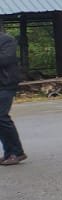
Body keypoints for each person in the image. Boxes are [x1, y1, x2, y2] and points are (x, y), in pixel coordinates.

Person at [0, 26, 27, 166]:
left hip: (6, 84)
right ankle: (8, 153)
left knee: (1, 117)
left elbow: (5, 59)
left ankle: (17, 152)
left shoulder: (7, 39)